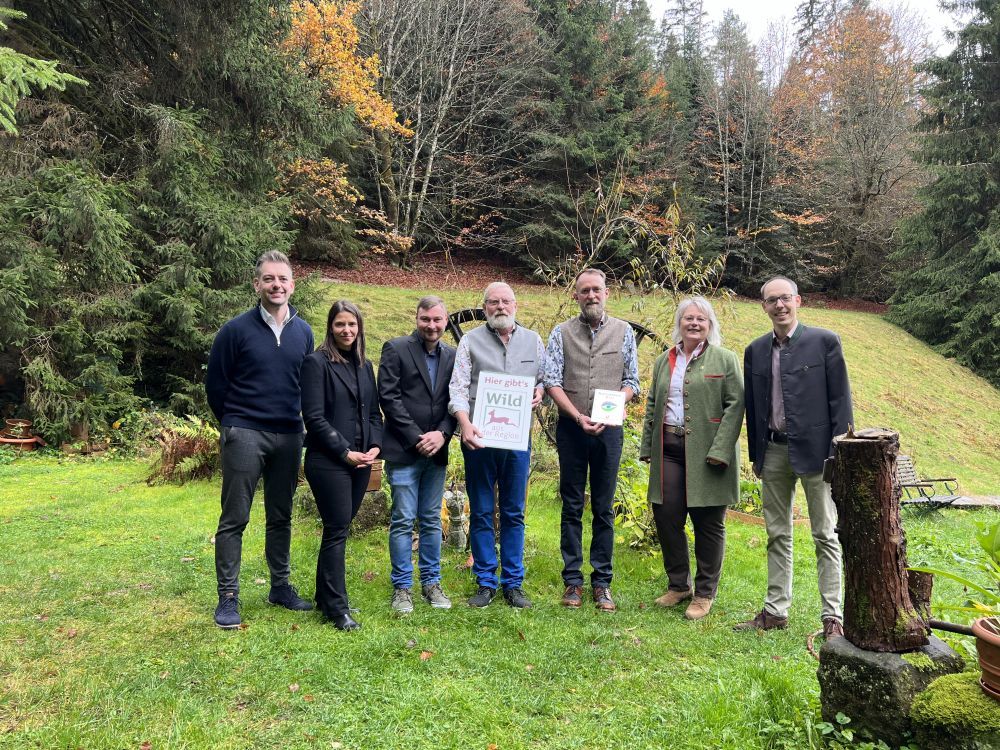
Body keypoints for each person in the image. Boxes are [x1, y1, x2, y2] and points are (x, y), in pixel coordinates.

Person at [734, 276, 853, 639]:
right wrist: (757, 454)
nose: (780, 306)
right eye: (772, 300)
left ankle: (833, 617)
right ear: (764, 307)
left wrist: (839, 454)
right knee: (777, 533)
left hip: (819, 455)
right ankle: (775, 610)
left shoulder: (824, 342)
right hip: (773, 451)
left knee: (825, 534)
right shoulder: (755, 350)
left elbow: (841, 402)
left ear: (798, 301)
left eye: (785, 298)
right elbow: (753, 409)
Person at [206, 250, 315, 629]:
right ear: (257, 284)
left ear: (292, 284)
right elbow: (215, 385)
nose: (276, 285)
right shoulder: (235, 330)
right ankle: (229, 597)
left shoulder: (304, 332)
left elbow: (307, 386)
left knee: (281, 516)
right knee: (235, 517)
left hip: (289, 435)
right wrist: (235, 425)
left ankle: (280, 587)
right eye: (269, 279)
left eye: (283, 279)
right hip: (245, 433)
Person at [639, 296, 744, 620]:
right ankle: (678, 584)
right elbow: (653, 407)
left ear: (709, 325)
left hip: (709, 454)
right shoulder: (664, 361)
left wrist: (720, 450)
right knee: (666, 517)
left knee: (708, 523)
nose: (694, 323)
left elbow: (736, 405)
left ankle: (704, 593)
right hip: (668, 449)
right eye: (688, 318)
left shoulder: (725, 360)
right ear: (679, 324)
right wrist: (647, 448)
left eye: (701, 319)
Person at [543, 269, 639, 612]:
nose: (591, 296)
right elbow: (552, 381)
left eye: (596, 290)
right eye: (584, 291)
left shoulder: (624, 332)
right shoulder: (561, 333)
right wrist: (577, 415)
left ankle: (602, 583)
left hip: (609, 431)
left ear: (607, 293)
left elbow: (632, 382)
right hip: (571, 429)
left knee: (603, 506)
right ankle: (572, 581)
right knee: (571, 505)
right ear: (576, 296)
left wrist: (616, 405)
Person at [448, 282, 544, 609]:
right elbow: (458, 388)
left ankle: (513, 583)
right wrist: (464, 424)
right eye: (493, 302)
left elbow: (543, 380)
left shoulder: (533, 341)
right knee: (483, 510)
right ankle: (486, 580)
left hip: (517, 442)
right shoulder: (470, 342)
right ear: (484, 306)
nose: (500, 307)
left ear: (515, 305)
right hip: (479, 440)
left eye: (505, 301)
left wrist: (541, 392)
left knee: (514, 512)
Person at [301, 300, 383, 631]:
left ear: (359, 328)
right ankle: (337, 608)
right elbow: (314, 418)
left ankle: (325, 596)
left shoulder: (365, 366)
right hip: (328, 460)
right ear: (330, 328)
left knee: (340, 529)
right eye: (340, 325)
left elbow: (374, 413)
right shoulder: (316, 363)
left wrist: (375, 445)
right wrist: (345, 451)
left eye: (351, 325)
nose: (346, 330)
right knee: (337, 529)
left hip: (362, 462)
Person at [378, 296, 457, 614]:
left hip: (437, 451)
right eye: (426, 319)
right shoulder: (396, 349)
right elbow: (389, 397)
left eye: (437, 320)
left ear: (446, 320)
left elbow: (458, 398)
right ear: (417, 318)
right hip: (404, 451)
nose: (432, 325)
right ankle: (402, 588)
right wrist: (416, 438)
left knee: (431, 520)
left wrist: (442, 433)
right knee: (402, 520)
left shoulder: (453, 356)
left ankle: (432, 583)